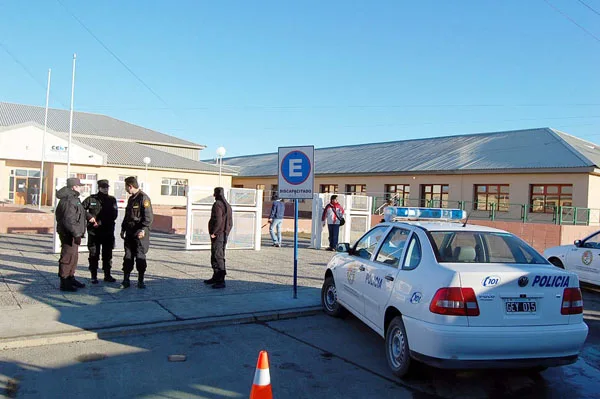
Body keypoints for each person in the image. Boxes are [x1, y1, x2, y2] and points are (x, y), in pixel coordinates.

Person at [82, 179, 118, 284]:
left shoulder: (112, 199)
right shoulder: (91, 199)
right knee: (94, 254)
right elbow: (81, 209)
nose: (105, 189)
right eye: (103, 187)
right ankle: (94, 276)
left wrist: (100, 222)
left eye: (107, 187)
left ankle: (107, 275)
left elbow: (114, 215)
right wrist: (89, 217)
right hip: (94, 232)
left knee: (107, 254)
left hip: (107, 231)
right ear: (99, 188)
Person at [55, 178, 88, 292]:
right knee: (67, 257)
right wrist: (76, 234)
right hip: (69, 233)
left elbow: (80, 212)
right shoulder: (69, 199)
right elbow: (68, 220)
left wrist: (89, 217)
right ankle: (64, 282)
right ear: (74, 187)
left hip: (73, 233)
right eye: (79, 186)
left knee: (73, 256)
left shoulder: (74, 198)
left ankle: (70, 277)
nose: (81, 188)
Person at [120, 176, 153, 289]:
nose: (125, 189)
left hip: (139, 233)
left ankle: (140, 280)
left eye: (126, 186)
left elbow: (148, 217)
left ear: (130, 186)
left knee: (140, 256)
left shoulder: (143, 198)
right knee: (128, 256)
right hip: (130, 232)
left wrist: (143, 229)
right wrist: (123, 229)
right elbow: (127, 216)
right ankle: (126, 279)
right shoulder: (131, 199)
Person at [204, 187, 233, 289]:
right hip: (223, 234)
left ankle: (220, 280)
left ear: (216, 194)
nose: (213, 195)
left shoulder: (218, 205)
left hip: (218, 235)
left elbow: (218, 220)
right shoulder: (227, 205)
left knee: (217, 256)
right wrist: (226, 232)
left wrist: (214, 232)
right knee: (218, 255)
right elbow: (230, 223)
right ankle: (215, 277)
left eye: (214, 193)